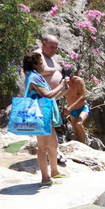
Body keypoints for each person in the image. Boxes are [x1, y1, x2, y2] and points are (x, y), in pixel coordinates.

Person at [22, 52, 69, 185]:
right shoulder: (33, 77)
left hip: (45, 114)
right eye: (41, 63)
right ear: (34, 65)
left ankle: (54, 171)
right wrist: (60, 85)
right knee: (43, 148)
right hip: (40, 115)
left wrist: (63, 90)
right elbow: (47, 95)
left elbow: (50, 98)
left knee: (53, 144)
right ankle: (45, 177)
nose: (44, 65)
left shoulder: (36, 77)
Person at [34, 33, 66, 164]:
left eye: (56, 47)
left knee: (51, 128)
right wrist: (53, 71)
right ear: (43, 44)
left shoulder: (49, 57)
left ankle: (53, 155)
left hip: (52, 98)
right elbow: (35, 72)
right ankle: (49, 155)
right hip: (42, 98)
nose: (54, 50)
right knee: (46, 130)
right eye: (51, 47)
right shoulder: (37, 55)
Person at [63, 64, 89, 145]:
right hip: (72, 111)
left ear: (72, 76)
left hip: (82, 108)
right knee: (75, 133)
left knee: (79, 124)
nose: (67, 81)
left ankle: (84, 145)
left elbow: (83, 96)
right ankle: (79, 147)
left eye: (68, 79)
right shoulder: (63, 84)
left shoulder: (78, 81)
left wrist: (71, 107)